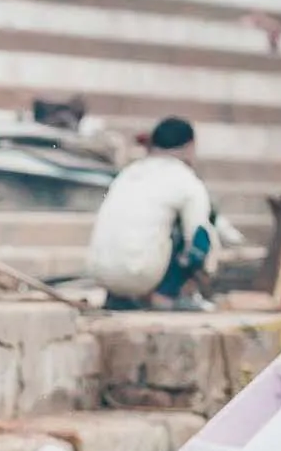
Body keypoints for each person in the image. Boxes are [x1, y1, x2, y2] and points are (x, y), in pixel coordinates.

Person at [85, 117, 240, 312]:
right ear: (190, 146)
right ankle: (167, 296)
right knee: (199, 232)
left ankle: (121, 297)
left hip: (102, 276)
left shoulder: (129, 172)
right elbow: (199, 238)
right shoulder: (186, 180)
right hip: (141, 275)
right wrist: (207, 271)